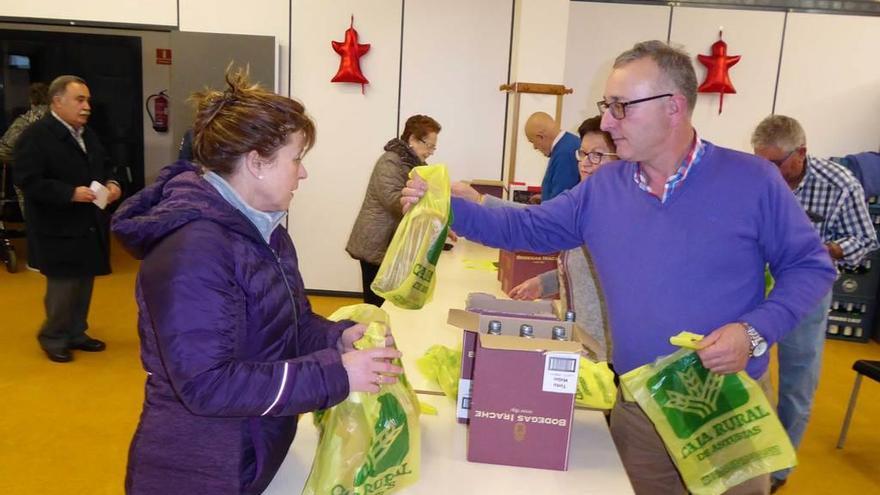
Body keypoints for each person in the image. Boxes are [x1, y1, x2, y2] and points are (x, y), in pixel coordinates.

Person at [403, 41, 836, 494]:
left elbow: (810, 267)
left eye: (621, 107)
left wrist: (753, 332)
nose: (608, 122)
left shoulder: (751, 181)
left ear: (674, 106)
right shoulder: (604, 188)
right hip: (639, 406)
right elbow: (527, 228)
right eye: (606, 106)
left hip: (726, 406)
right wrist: (446, 206)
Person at [111, 68, 403, 494]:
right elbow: (207, 384)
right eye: (296, 158)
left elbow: (288, 324)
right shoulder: (194, 250)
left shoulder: (265, 230)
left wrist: (335, 339)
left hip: (253, 447)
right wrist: (336, 374)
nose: (302, 174)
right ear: (256, 162)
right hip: (200, 469)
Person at [751, 115, 877, 493]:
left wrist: (825, 249)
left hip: (806, 289)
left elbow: (865, 238)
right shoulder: (754, 177)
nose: (767, 170)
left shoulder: (840, 185)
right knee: (745, 371)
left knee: (797, 383)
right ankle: (744, 455)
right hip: (755, 283)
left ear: (801, 153)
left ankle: (778, 471)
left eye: (775, 163)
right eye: (761, 161)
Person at [455, 116, 617, 359]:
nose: (585, 164)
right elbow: (585, 265)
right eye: (583, 154)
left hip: (604, 355)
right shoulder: (588, 201)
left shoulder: (617, 213)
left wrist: (474, 203)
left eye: (597, 155)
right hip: (581, 345)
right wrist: (546, 282)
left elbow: (528, 223)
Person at [13, 75, 122, 363]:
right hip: (57, 224)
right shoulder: (36, 136)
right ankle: (54, 336)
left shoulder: (88, 134)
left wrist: (112, 184)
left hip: (87, 222)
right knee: (63, 286)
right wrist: (69, 193)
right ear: (57, 101)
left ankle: (76, 332)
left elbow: (106, 165)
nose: (87, 106)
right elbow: (27, 180)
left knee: (84, 280)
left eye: (88, 100)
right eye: (80, 100)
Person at [346, 114, 441, 306]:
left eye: (433, 147)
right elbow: (394, 201)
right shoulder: (391, 161)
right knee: (376, 303)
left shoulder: (415, 165)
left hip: (390, 242)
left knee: (387, 301)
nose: (431, 152)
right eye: (429, 145)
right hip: (376, 242)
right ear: (413, 139)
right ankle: (371, 334)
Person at [0, 82, 50, 218]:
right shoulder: (57, 117)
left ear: (31, 99)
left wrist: (18, 160)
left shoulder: (26, 119)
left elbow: (5, 147)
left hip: (28, 175)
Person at [524, 111, 580, 202]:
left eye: (533, 142)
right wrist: (545, 197)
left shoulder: (565, 153)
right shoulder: (566, 145)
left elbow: (560, 202)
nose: (534, 147)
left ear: (541, 137)